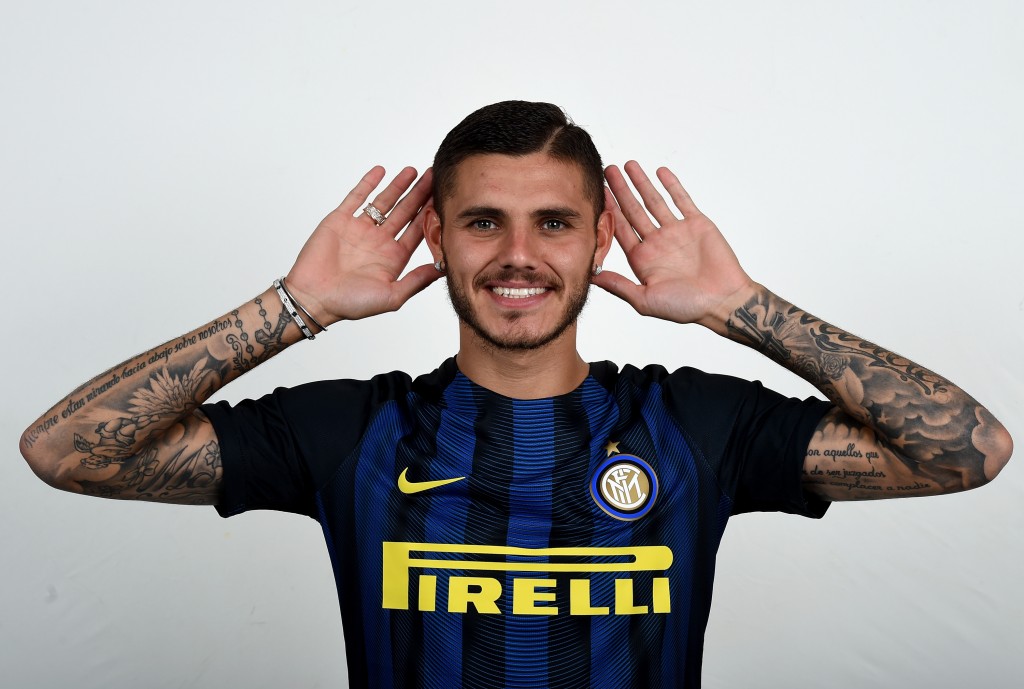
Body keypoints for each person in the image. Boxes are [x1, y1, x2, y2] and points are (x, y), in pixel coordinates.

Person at [20, 101, 1013, 688]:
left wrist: (742, 306)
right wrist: (294, 305)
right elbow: (64, 450)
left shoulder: (695, 424)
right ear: (438, 238)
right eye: (483, 222)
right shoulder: (352, 429)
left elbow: (967, 450)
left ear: (596, 241)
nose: (520, 256)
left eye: (553, 222)